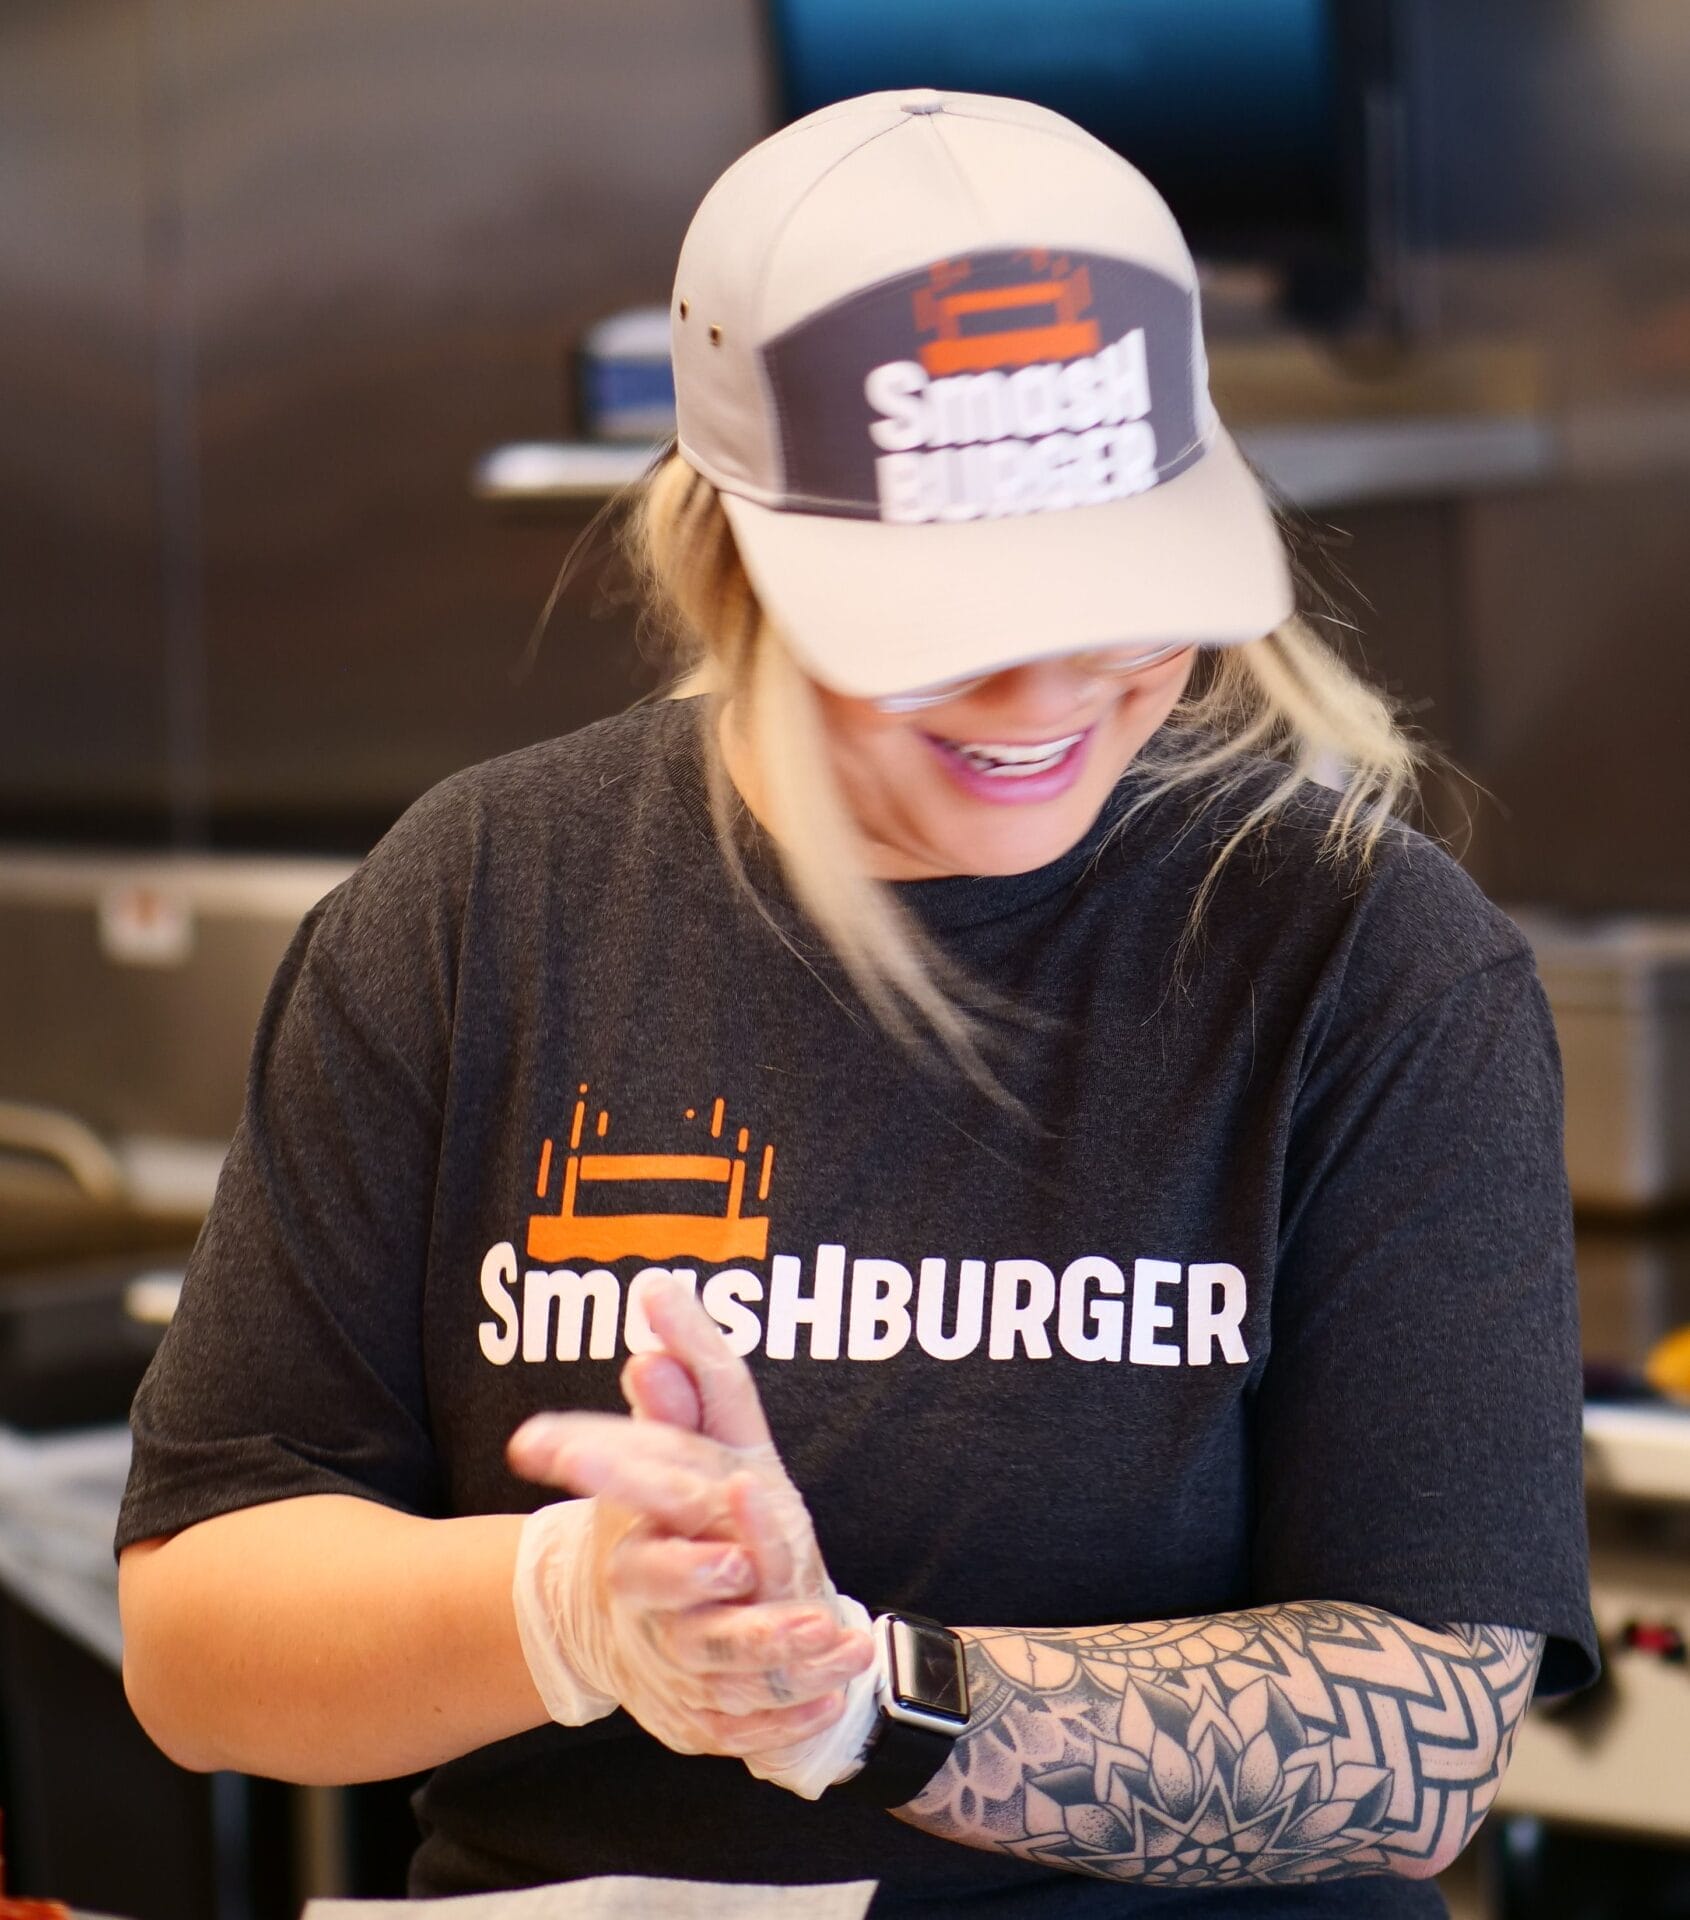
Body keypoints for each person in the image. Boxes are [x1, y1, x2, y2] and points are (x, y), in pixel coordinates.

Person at [116, 90, 1597, 1916]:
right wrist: (569, 1609)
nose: (1045, 693)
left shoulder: (1360, 960)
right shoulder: (478, 903)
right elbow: (197, 1640)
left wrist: (858, 1698)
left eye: (1118, 598)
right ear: (731, 554)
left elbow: (1427, 1740)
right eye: (945, 621)